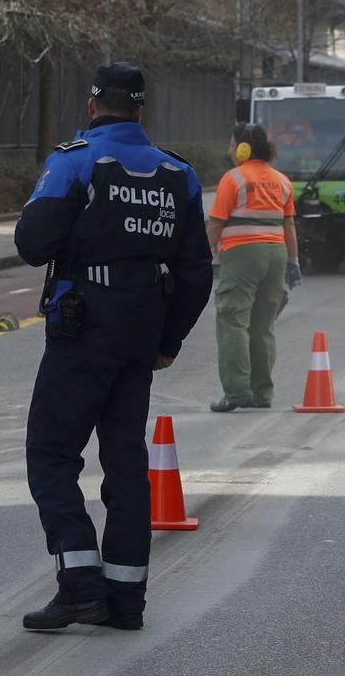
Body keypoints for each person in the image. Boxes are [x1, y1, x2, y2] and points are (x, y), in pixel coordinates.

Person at [13, 63, 214, 632]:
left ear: (92, 104)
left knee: (50, 455)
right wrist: (168, 341)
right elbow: (197, 271)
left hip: (83, 326)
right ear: (142, 110)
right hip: (142, 332)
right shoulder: (180, 174)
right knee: (126, 462)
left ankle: (79, 584)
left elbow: (33, 242)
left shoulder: (75, 159)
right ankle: (126, 598)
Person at [206, 123, 300, 414]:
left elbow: (217, 223)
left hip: (243, 255)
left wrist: (198, 257)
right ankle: (262, 393)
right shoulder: (282, 181)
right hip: (276, 255)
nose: (229, 149)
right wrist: (293, 262)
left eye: (232, 144)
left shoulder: (233, 179)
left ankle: (236, 391)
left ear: (244, 148)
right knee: (263, 327)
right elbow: (289, 224)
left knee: (233, 320)